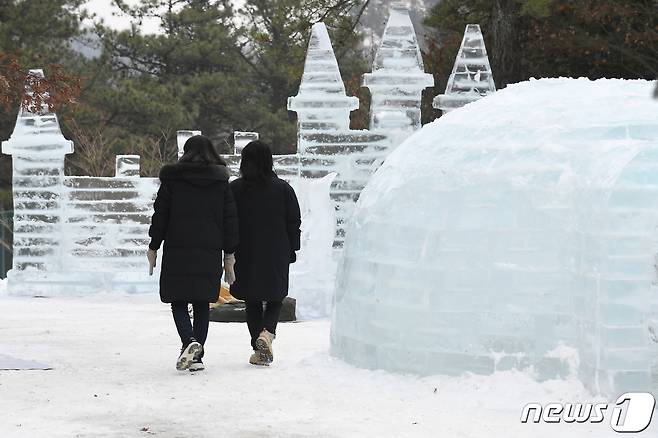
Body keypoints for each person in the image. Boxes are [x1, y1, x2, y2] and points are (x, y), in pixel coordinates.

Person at [147, 135, 238, 372]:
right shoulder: (221, 182)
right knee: (201, 303)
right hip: (209, 250)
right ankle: (196, 357)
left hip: (178, 249)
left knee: (178, 300)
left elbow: (161, 214)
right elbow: (230, 220)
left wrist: (154, 245)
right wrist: (229, 254)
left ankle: (189, 342)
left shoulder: (172, 180)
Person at [229, 140, 301, 366]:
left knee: (252, 300)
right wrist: (293, 248)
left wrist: (227, 249)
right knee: (275, 296)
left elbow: (228, 221)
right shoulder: (283, 189)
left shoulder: (236, 188)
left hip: (245, 251)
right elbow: (293, 221)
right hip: (276, 250)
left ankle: (258, 347)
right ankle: (267, 333)